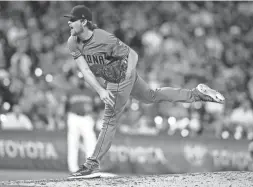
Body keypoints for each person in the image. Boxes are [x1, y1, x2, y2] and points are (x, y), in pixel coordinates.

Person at [64, 5, 225, 178]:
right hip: (115, 78)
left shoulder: (103, 37)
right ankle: (196, 94)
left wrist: (127, 74)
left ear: (84, 21)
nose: (69, 22)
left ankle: (92, 163)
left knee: (109, 121)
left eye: (73, 20)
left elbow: (132, 54)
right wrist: (100, 91)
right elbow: (86, 71)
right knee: (151, 96)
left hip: (120, 77)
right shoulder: (72, 42)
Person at [66, 74, 97, 173]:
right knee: (72, 142)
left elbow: (96, 107)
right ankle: (72, 168)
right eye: (79, 79)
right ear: (77, 80)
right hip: (74, 117)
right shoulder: (71, 91)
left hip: (86, 118)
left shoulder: (90, 92)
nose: (80, 81)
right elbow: (66, 106)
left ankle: (89, 167)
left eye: (82, 79)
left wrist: (93, 115)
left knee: (90, 142)